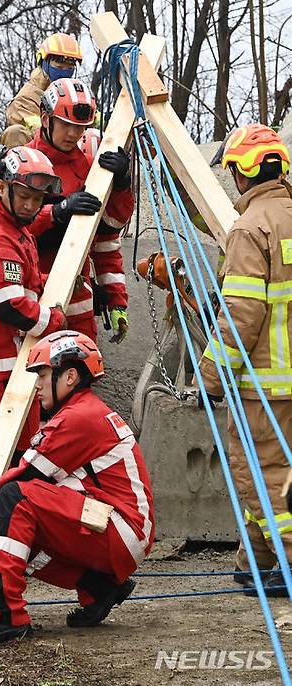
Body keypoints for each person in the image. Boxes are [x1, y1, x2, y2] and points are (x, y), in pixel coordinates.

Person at [0, 330, 154, 648]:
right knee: (17, 527)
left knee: (15, 499)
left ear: (70, 376)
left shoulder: (78, 419)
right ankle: (99, 587)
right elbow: (36, 486)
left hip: (120, 529)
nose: (37, 385)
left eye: (43, 375)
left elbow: (20, 481)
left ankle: (2, 614)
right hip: (117, 526)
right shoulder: (83, 413)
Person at [198, 124, 292, 597]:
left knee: (263, 474)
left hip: (265, 385)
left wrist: (211, 377)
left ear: (242, 173)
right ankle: (257, 558)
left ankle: (288, 561)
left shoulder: (249, 228)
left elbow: (240, 315)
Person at [0, 79, 133, 343]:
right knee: (35, 380)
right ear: (45, 118)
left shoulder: (90, 169)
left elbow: (108, 235)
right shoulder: (13, 166)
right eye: (66, 125)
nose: (73, 134)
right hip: (30, 301)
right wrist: (57, 213)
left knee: (82, 377)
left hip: (79, 300)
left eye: (80, 128)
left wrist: (121, 185)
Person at [0, 147, 67, 453]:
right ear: (2, 186)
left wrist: (49, 282)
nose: (31, 205)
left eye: (37, 199)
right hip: (0, 362)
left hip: (8, 357)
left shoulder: (7, 224)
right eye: (24, 196)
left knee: (22, 440)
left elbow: (19, 279)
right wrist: (54, 320)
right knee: (9, 450)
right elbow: (11, 307)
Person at [0, 33, 83, 149]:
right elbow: (39, 131)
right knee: (15, 132)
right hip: (37, 156)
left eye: (69, 68)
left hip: (70, 157)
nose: (64, 72)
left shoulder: (74, 94)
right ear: (43, 62)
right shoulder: (25, 99)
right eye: (59, 67)